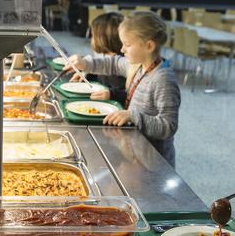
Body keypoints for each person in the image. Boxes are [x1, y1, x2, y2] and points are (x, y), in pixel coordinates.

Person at [65, 11, 180, 166]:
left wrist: (133, 116)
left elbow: (168, 126)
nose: (122, 49)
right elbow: (111, 63)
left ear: (149, 46)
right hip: (136, 152)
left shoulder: (163, 79)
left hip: (153, 161)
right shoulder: (138, 65)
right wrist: (84, 63)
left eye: (127, 44)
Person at [71, 12, 127, 103]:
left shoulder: (122, 64)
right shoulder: (104, 57)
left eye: (93, 36)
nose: (91, 39)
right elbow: (102, 79)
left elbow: (127, 95)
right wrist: (87, 74)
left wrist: (111, 94)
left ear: (103, 39)